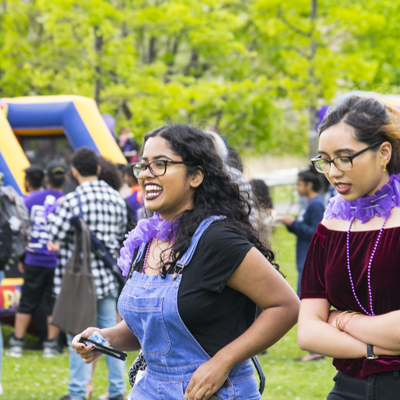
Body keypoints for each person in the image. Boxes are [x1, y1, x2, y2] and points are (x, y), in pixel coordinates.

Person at [72, 124, 300, 400]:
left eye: (160, 164)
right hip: (149, 390)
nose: (146, 174)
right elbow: (152, 328)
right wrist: (104, 338)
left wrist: (222, 361)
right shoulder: (145, 240)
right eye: (143, 166)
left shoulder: (218, 239)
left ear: (195, 176)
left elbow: (285, 306)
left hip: (214, 392)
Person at [297, 95, 400, 399]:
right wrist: (374, 348)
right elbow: (308, 332)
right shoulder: (330, 227)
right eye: (325, 160)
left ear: (384, 152)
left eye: (344, 157)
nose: (333, 171)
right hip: (346, 388)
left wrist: (342, 320)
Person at [46, 148, 127, 400]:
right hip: (109, 278)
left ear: (74, 171)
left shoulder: (71, 200)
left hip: (80, 281)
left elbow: (54, 236)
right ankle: (116, 389)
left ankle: (77, 392)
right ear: (99, 169)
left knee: (78, 335)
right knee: (112, 336)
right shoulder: (117, 199)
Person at [6, 161, 67, 358]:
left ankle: (16, 343)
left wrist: (23, 255)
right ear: (64, 179)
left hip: (33, 258)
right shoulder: (67, 200)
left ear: (47, 179)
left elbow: (22, 227)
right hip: (57, 261)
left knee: (27, 302)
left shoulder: (30, 199)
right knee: (53, 303)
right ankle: (51, 345)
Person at [277, 166, 325, 296]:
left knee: (303, 299)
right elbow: (303, 228)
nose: (296, 188)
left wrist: (293, 222)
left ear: (309, 185)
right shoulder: (310, 203)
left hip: (310, 260)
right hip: (304, 259)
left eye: (298, 184)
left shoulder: (316, 205)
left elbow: (316, 233)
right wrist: (289, 222)